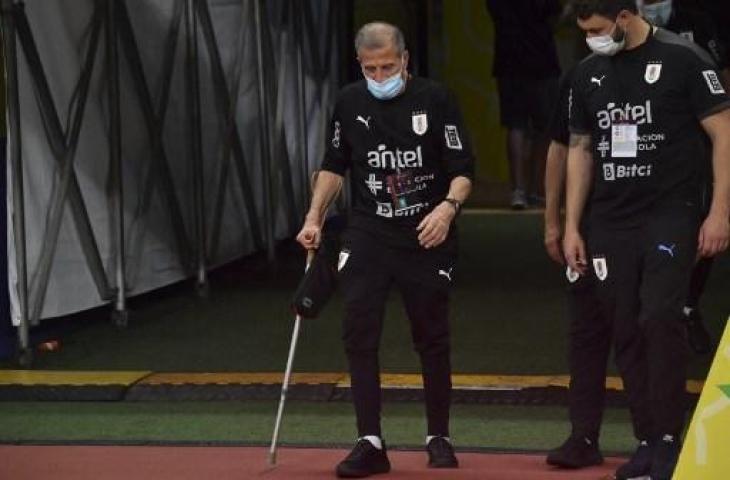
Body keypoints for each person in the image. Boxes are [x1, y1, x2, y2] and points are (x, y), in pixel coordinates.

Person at [296, 22, 474, 478]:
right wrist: (315, 216)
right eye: (372, 69)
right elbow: (334, 166)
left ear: (405, 59)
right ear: (360, 64)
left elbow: (461, 169)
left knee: (431, 334)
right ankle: (369, 441)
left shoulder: (436, 98)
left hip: (425, 232)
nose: (380, 76)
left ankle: (439, 435)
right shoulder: (349, 101)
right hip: (369, 230)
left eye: (388, 67)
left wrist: (447, 209)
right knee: (359, 330)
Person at [563, 2, 730, 479]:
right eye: (584, 32)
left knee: (659, 315)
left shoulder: (685, 58)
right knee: (626, 327)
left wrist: (719, 212)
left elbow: (724, 133)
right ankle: (646, 440)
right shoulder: (587, 74)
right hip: (610, 219)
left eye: (596, 29)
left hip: (670, 212)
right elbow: (580, 149)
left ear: (622, 15)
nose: (591, 38)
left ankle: (669, 438)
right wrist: (572, 224)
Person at [638, 0, 730, 354]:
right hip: (640, 149)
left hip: (693, 144)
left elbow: (721, 78)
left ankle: (687, 306)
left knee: (701, 229)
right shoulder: (617, 23)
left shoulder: (697, 23)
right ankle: (647, 314)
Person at [543, 65, 612, 469]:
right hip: (587, 222)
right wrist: (554, 221)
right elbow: (561, 145)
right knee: (586, 332)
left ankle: (657, 438)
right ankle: (583, 435)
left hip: (647, 217)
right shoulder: (580, 76)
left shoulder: (676, 61)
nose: (594, 40)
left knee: (645, 330)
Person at [485, 0, 562, 209]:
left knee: (515, 125)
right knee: (544, 128)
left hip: (509, 60)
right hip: (542, 59)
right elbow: (556, 15)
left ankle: (519, 190)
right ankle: (537, 189)